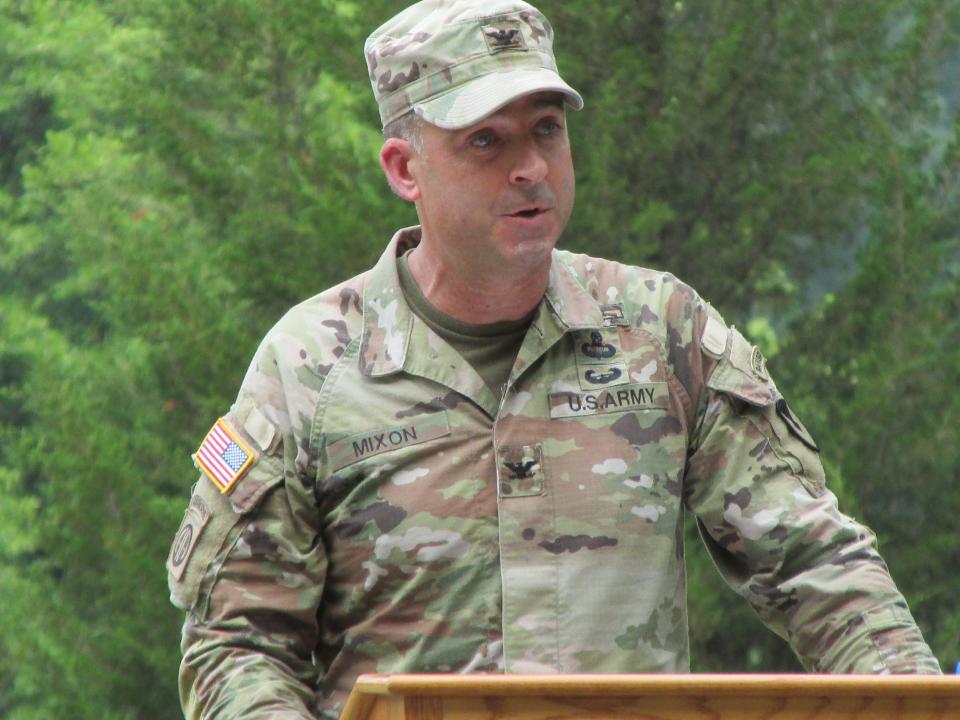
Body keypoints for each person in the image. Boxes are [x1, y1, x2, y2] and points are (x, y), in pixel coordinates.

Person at [166, 0, 942, 717]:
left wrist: (915, 702)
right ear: (406, 169)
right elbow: (239, 644)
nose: (530, 166)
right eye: (485, 140)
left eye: (546, 129)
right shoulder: (309, 370)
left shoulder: (662, 332)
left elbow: (816, 567)